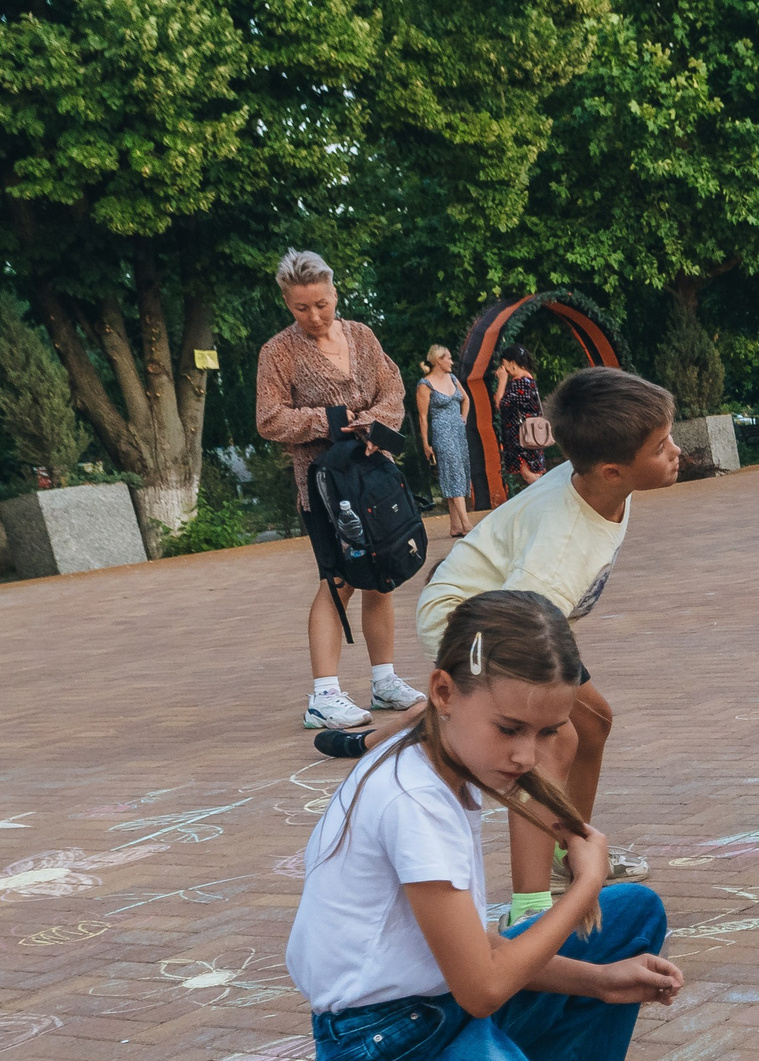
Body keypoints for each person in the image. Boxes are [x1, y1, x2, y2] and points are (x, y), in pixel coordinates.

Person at [286, 589, 683, 1061]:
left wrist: (600, 979)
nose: (527, 755)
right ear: (443, 691)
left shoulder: (434, 757)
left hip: (432, 1017)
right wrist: (582, 880)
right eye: (510, 729)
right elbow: (482, 986)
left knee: (632, 914)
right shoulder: (416, 803)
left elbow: (476, 951)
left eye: (546, 731)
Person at [325, 366, 679, 922]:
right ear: (614, 469)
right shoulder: (560, 550)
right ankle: (531, 909)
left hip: (515, 609)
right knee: (548, 744)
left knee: (594, 722)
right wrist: (527, 719)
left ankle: (570, 848)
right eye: (661, 447)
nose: (675, 452)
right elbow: (517, 622)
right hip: (476, 622)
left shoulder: (603, 482)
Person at [254, 248, 426, 732]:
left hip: (375, 476)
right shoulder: (278, 352)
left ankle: (384, 680)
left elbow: (392, 388)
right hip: (325, 487)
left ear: (335, 292)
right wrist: (328, 421)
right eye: (301, 308)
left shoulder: (362, 336)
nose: (314, 316)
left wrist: (374, 422)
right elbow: (268, 419)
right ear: (288, 304)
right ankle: (323, 696)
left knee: (383, 572)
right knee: (339, 579)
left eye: (322, 304)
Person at [417, 345, 475, 538]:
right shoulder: (425, 384)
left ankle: (455, 526)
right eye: (448, 358)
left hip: (458, 431)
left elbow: (466, 399)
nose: (451, 362)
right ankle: (466, 524)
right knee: (454, 472)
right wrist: (426, 443)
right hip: (442, 432)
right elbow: (423, 416)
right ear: (438, 360)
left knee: (459, 472)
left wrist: (463, 418)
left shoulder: (453, 379)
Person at [494, 345, 549, 492]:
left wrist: (502, 381)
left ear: (512, 363)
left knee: (528, 473)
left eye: (504, 364)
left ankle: (549, 496)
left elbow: (500, 403)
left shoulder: (519, 383)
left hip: (521, 436)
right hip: (531, 433)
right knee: (533, 472)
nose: (503, 369)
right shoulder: (529, 381)